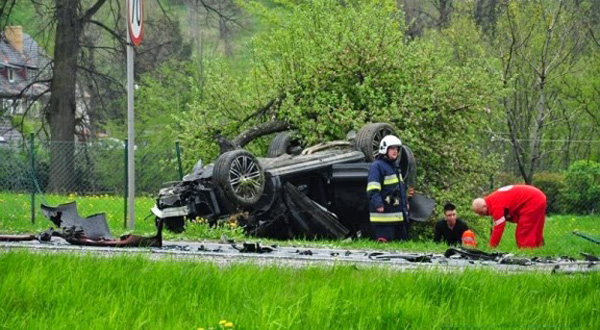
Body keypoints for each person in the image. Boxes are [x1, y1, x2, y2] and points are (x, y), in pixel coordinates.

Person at [472, 185, 547, 248]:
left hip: (533, 200)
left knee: (524, 231)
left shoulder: (496, 205)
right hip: (537, 197)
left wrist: (491, 247)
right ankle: (537, 247)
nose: (482, 215)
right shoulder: (493, 200)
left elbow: (499, 227)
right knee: (534, 227)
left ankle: (526, 252)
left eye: (481, 212)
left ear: (484, 206)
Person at [366, 135, 410, 242]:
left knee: (402, 247)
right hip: (384, 219)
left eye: (397, 149)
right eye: (392, 148)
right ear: (384, 149)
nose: (395, 151)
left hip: (398, 217)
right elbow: (373, 188)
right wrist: (378, 204)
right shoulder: (377, 166)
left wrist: (405, 203)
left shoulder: (394, 167)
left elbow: (399, 190)